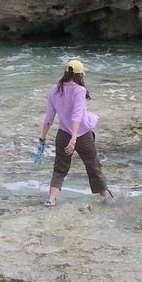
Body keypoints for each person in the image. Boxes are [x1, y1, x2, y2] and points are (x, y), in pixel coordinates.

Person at [40, 59, 111, 206]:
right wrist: (74, 139)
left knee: (59, 168)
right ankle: (106, 197)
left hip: (62, 134)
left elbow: (49, 116)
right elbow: (77, 115)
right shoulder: (80, 90)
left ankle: (50, 199)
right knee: (93, 165)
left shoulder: (54, 89)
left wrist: (42, 137)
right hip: (82, 134)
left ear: (65, 72)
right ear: (80, 75)